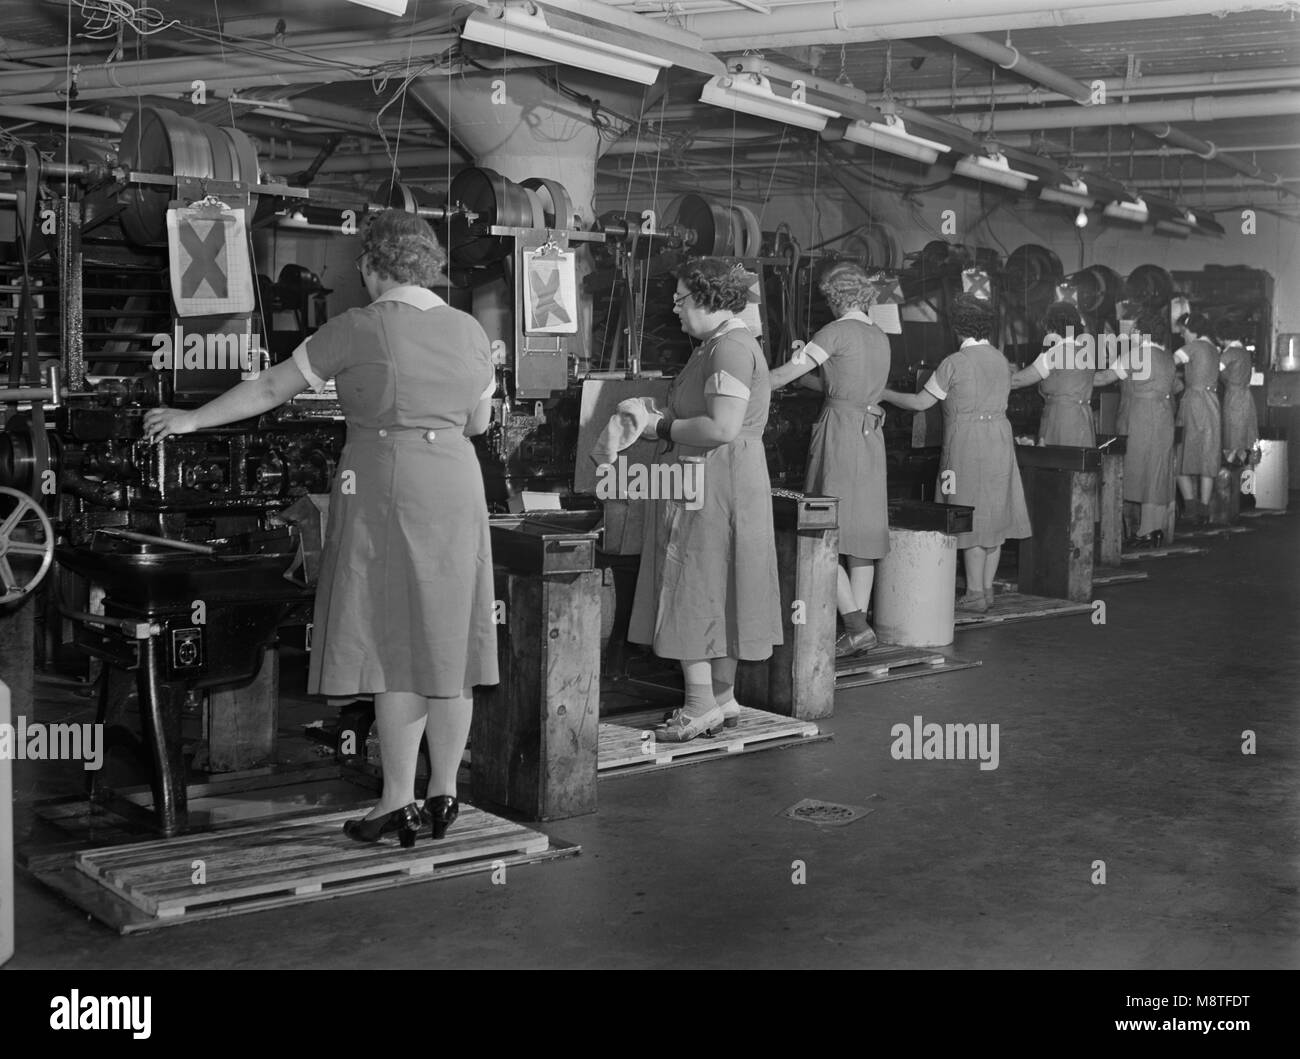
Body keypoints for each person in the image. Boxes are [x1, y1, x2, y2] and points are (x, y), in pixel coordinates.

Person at [143, 210, 498, 847]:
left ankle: (396, 801)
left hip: (389, 484)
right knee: (451, 645)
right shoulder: (469, 329)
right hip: (457, 482)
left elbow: (271, 388)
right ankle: (444, 792)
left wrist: (191, 420)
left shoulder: (359, 326)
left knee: (396, 647)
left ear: (373, 265)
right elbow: (476, 422)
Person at [628, 258, 783, 741]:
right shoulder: (717, 346)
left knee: (691, 582)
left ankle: (697, 707)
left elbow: (721, 427)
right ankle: (721, 697)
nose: (674, 311)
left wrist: (659, 426)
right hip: (725, 479)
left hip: (710, 481)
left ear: (706, 299)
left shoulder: (729, 350)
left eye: (679, 300)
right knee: (722, 583)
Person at [769, 262, 890, 657]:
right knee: (862, 534)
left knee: (823, 525)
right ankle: (858, 627)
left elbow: (787, 373)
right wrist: (812, 381)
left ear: (835, 297)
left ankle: (854, 625)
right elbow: (842, 382)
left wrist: (751, 379)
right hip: (871, 433)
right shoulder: (879, 335)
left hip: (840, 431)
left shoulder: (833, 331)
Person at [882, 293, 1031, 614]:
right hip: (1000, 440)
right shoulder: (1000, 361)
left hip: (967, 442)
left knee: (966, 512)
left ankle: (974, 593)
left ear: (956, 327)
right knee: (995, 513)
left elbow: (921, 403)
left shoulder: (954, 363)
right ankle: (987, 590)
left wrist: (883, 392)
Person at [1098, 308, 1180, 547]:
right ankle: (1152, 529)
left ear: (1142, 332)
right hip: (1164, 416)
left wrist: (1076, 374)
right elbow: (1175, 386)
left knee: (1138, 468)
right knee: (1156, 470)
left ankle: (1141, 530)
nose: (1132, 333)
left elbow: (1104, 378)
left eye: (1134, 329)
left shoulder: (1138, 354)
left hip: (1142, 416)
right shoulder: (1166, 355)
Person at [1009, 301, 1097, 447]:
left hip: (1061, 420)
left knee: (1058, 464)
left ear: (1051, 326)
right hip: (1083, 419)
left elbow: (1018, 381)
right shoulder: (1085, 352)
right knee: (1078, 465)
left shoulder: (1056, 352)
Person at [1174, 311, 1224, 526]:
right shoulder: (1215, 349)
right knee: (1207, 455)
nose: (1182, 336)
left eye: (1183, 331)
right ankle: (1204, 509)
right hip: (1212, 403)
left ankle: (1190, 507)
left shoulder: (1192, 347)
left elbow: (1169, 363)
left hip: (1194, 403)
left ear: (1191, 330)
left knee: (1180, 455)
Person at [1217, 319, 1260, 467]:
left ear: (1223, 337)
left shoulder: (1230, 353)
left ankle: (1228, 472)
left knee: (1232, 439)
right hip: (1246, 398)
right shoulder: (1244, 352)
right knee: (1246, 441)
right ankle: (1246, 487)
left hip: (1234, 399)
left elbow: (1213, 370)